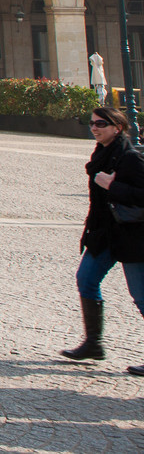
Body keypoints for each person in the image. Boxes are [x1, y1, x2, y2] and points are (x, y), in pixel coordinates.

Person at [61, 106, 144, 374]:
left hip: (132, 237)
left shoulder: (130, 158)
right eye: (92, 123)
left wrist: (112, 186)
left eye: (101, 124)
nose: (94, 128)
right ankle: (93, 343)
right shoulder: (101, 154)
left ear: (117, 128)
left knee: (142, 297)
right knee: (86, 279)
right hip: (104, 235)